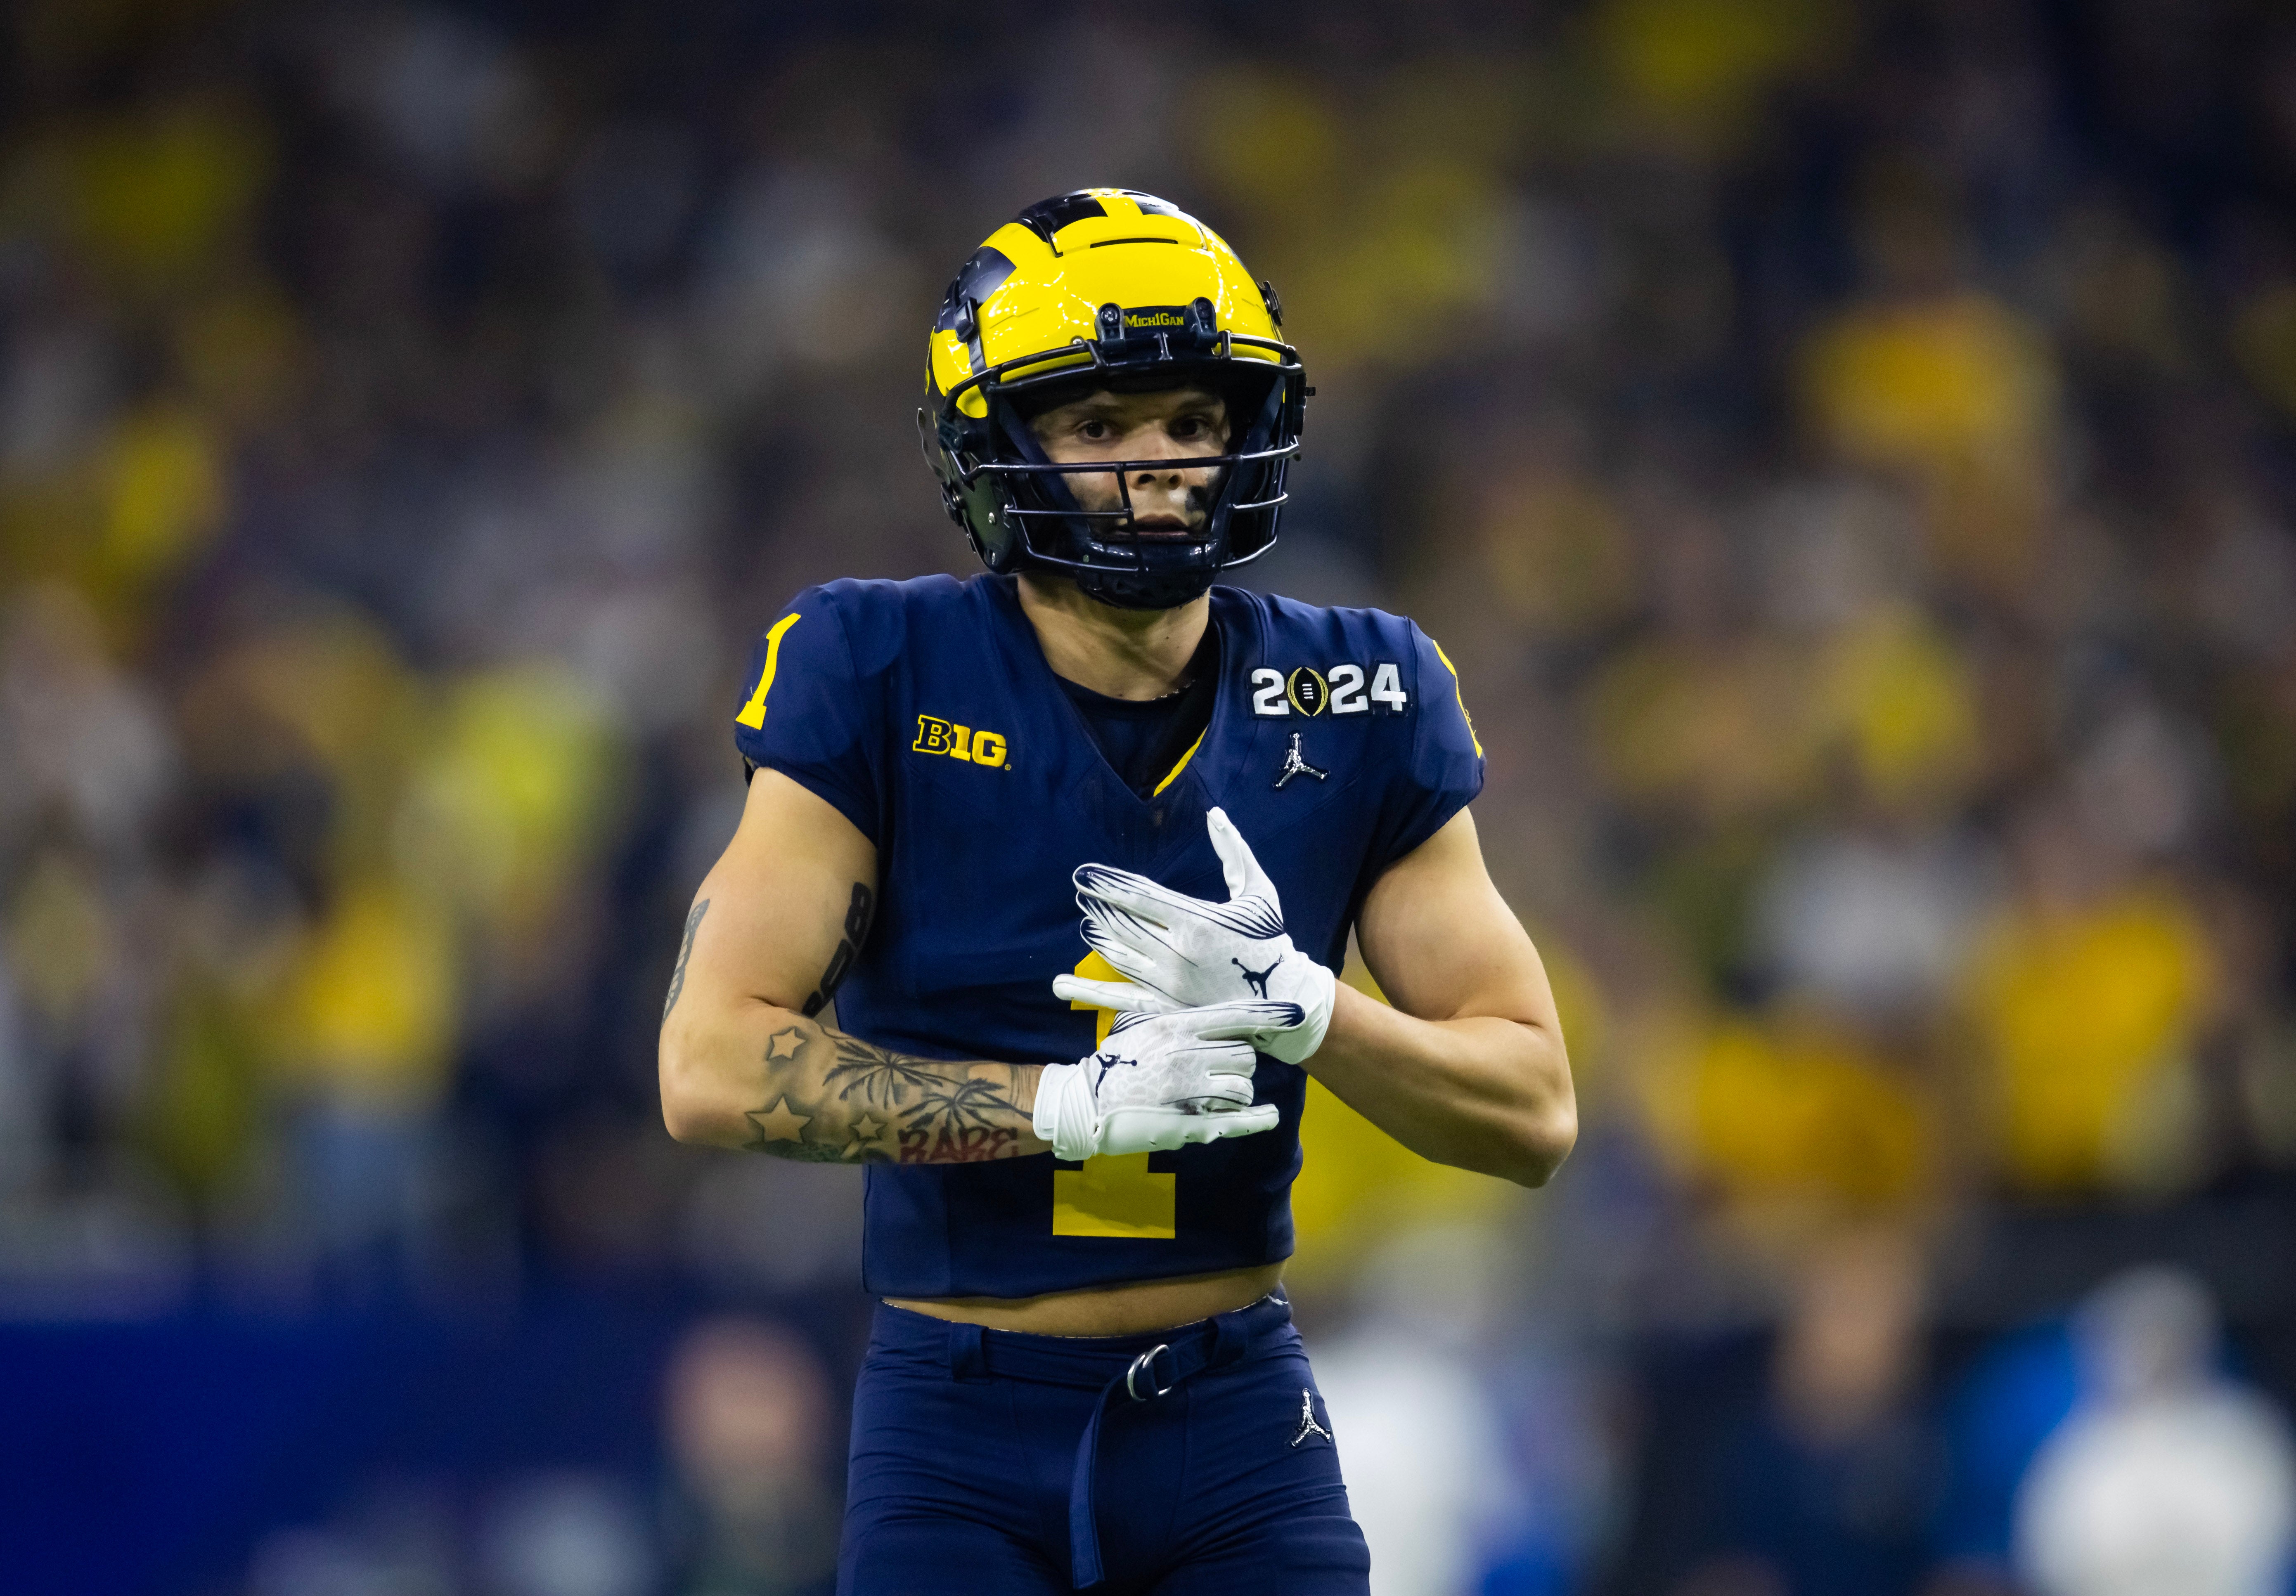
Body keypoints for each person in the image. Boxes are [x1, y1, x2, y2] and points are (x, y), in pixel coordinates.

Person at [657, 187, 1577, 1594]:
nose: (1158, 466)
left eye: (1192, 421)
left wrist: (1306, 1009)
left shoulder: (1359, 685)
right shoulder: (876, 664)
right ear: (995, 445)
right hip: (958, 1419)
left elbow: (1532, 1107)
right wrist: (1055, 1108)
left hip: (1235, 1415)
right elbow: (708, 1063)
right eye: (1098, 426)